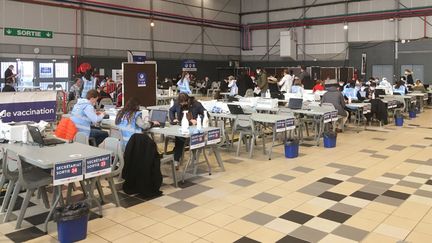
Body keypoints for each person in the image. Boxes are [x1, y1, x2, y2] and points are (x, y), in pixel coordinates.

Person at [169, 93, 206, 167]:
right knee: (179, 139)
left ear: (188, 100)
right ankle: (176, 159)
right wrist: (174, 119)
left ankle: (179, 157)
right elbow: (171, 110)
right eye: (181, 103)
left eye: (184, 102)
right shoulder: (177, 103)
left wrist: (197, 120)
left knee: (181, 140)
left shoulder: (196, 104)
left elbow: (206, 114)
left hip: (193, 128)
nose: (182, 104)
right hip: (181, 126)